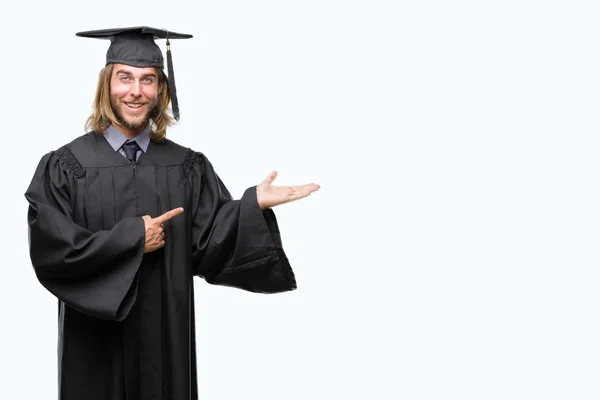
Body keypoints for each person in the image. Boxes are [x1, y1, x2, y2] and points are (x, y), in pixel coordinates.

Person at [24, 26, 320, 400]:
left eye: (148, 79)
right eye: (125, 78)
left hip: (166, 345)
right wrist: (133, 238)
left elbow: (210, 241)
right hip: (92, 347)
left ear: (161, 89)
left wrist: (251, 206)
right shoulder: (66, 166)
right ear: (106, 84)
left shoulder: (186, 167)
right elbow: (53, 251)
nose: (136, 91)